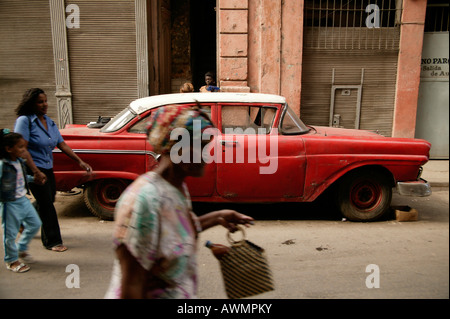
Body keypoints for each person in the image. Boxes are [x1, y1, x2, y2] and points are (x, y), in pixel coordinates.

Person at [104, 104, 254, 299]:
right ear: (174, 147)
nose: (207, 154)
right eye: (200, 146)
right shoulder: (143, 200)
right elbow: (132, 286)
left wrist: (218, 217)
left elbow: (171, 236)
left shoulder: (176, 187)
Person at [14, 88, 92, 252]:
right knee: (47, 205)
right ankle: (52, 241)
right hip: (32, 167)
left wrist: (80, 161)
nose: (44, 105)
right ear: (31, 103)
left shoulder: (49, 122)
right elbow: (22, 148)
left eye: (45, 101)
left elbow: (61, 144)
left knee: (49, 198)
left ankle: (22, 221)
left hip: (47, 167)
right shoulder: (25, 121)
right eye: (40, 102)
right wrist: (35, 171)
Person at [1, 129, 42, 273]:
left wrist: (34, 179)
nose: (24, 150)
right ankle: (11, 260)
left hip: (23, 199)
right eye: (20, 147)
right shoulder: (3, 165)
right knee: (10, 234)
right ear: (8, 149)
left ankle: (21, 248)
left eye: (24, 146)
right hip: (9, 203)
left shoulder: (19, 161)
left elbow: (20, 178)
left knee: (35, 224)